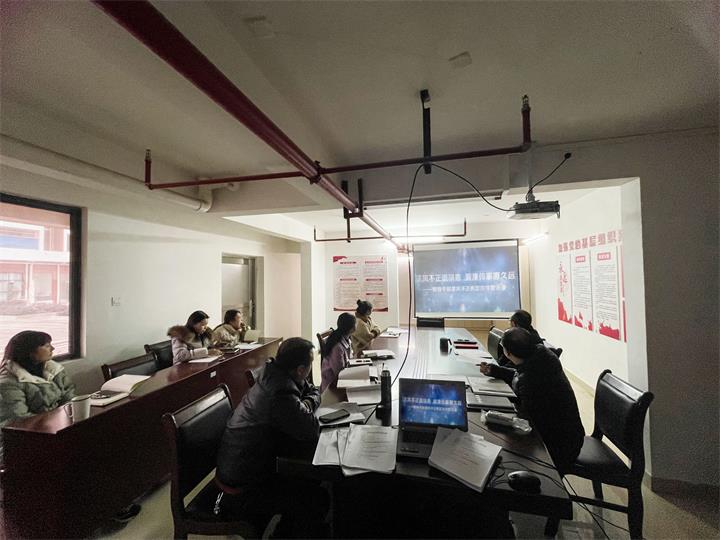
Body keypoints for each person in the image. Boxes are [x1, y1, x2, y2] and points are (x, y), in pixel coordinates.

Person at [0, 331, 141, 523]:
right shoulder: (8, 383)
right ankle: (100, 508)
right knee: (87, 457)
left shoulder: (52, 369)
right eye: (46, 345)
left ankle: (113, 500)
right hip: (21, 444)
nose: (52, 348)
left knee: (109, 441)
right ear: (30, 352)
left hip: (56, 430)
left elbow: (69, 398)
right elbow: (21, 425)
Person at [215, 337, 328, 537]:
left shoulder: (274, 372)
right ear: (301, 369)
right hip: (243, 484)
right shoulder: (280, 391)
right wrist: (307, 404)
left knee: (311, 481)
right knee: (316, 497)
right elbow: (310, 429)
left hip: (242, 465)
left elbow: (311, 390)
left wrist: (305, 404)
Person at [479, 327, 584, 470]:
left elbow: (525, 418)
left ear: (507, 353)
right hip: (568, 433)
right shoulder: (539, 357)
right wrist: (496, 370)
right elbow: (519, 375)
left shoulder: (531, 380)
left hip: (557, 445)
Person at [320, 312, 356, 392]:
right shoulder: (337, 347)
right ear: (352, 328)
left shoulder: (345, 338)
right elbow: (339, 373)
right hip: (332, 386)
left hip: (341, 379)